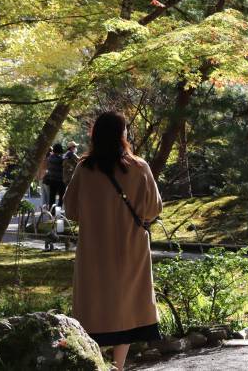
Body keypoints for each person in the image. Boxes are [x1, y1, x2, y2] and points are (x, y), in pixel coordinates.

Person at [63, 111, 162, 371]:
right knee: (126, 305)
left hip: (94, 251)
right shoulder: (139, 167)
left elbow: (70, 210)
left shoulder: (85, 169)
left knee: (94, 304)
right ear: (122, 134)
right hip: (131, 248)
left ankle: (95, 362)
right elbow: (153, 209)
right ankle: (118, 366)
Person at [44, 143, 65, 209]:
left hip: (51, 180)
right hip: (59, 180)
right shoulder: (60, 159)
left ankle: (52, 212)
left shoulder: (49, 158)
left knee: (52, 197)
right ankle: (59, 210)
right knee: (62, 196)